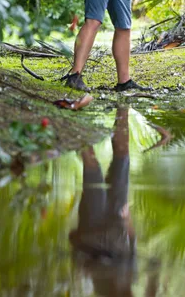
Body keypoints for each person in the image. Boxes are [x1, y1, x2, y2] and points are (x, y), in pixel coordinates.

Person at [69, 107, 137, 297]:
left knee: (91, 166)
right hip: (118, 216)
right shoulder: (130, 275)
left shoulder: (92, 273)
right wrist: (128, 219)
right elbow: (132, 242)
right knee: (122, 155)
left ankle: (76, 116)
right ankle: (123, 108)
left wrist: (89, 243)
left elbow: (73, 238)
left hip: (93, 219)